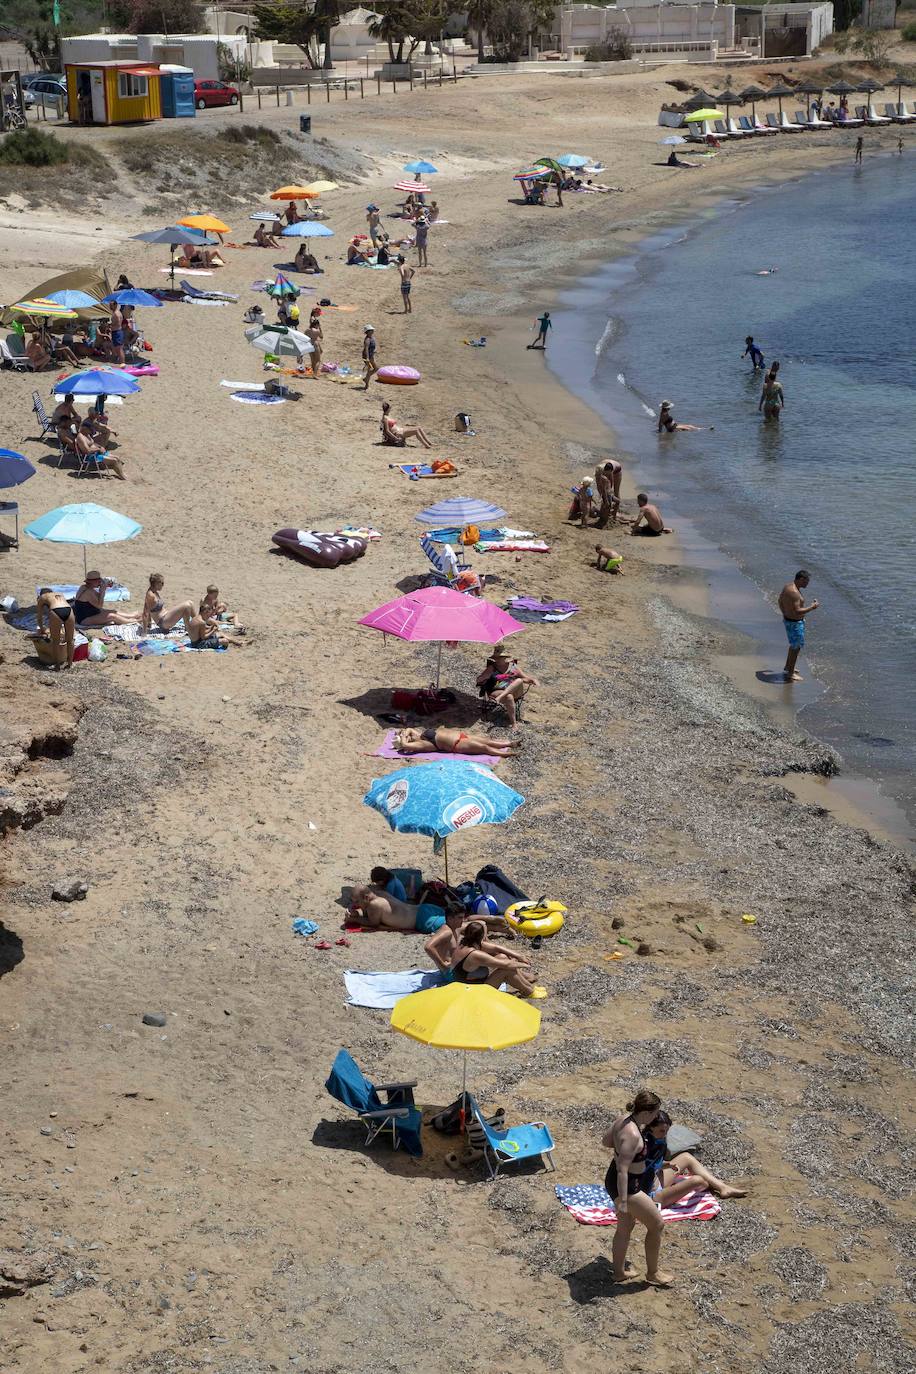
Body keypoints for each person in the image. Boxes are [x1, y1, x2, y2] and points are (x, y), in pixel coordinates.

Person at [602, 1089, 673, 1287]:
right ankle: (653, 1273)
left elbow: (606, 1141)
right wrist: (623, 1202)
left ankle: (618, 1273)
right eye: (655, 1113)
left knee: (625, 1227)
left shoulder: (623, 1119)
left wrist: (620, 1150)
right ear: (646, 1113)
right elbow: (624, 1171)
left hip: (612, 1179)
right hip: (628, 1186)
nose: (656, 1117)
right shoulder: (633, 1134)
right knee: (657, 1224)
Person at [640, 1113, 747, 1205]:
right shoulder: (643, 1146)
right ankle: (703, 1185)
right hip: (651, 1197)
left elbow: (653, 1165)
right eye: (662, 1131)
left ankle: (722, 1187)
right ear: (651, 1127)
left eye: (667, 1131)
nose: (665, 1135)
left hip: (656, 1180)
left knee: (686, 1157)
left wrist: (667, 1164)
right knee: (698, 1180)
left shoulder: (657, 1140)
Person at [446, 920, 541, 996]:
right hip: (471, 992)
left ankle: (527, 985)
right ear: (481, 937)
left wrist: (519, 956)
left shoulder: (465, 943)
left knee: (502, 957)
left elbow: (496, 947)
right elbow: (507, 965)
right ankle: (528, 991)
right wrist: (525, 965)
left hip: (467, 984)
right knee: (506, 970)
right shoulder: (474, 955)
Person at [477, 643, 539, 725]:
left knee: (519, 680)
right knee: (509, 696)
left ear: (505, 658)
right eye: (496, 657)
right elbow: (478, 680)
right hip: (497, 691)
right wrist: (485, 677)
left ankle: (499, 699)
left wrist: (533, 680)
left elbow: (526, 678)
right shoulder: (492, 668)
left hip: (515, 691)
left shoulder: (513, 667)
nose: (498, 659)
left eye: (500, 657)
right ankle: (514, 724)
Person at [348, 884, 447, 935]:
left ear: (366, 898)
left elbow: (373, 923)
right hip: (424, 908)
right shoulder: (380, 894)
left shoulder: (374, 905)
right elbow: (367, 912)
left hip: (422, 920)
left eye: (357, 901)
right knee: (455, 917)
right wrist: (358, 912)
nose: (355, 904)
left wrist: (354, 919)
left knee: (455, 926)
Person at [778, 569, 818, 683]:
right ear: (801, 579)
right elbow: (797, 611)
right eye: (807, 581)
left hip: (789, 620)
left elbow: (780, 600)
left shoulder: (788, 586)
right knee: (796, 647)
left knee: (793, 645)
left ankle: (788, 667)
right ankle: (790, 674)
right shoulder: (795, 593)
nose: (808, 584)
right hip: (794, 623)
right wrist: (812, 607)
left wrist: (784, 613)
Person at [393, 726, 519, 757]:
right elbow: (405, 745)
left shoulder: (419, 735)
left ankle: (509, 743)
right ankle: (505, 754)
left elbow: (409, 729)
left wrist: (404, 733)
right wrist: (403, 740)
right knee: (483, 747)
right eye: (407, 738)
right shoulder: (423, 744)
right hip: (457, 744)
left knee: (487, 741)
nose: (409, 736)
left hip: (460, 735)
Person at [72, 573, 141, 628]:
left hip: (90, 613)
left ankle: (132, 615)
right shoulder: (88, 592)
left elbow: (98, 598)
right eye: (98, 581)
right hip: (85, 619)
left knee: (112, 611)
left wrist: (103, 589)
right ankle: (134, 621)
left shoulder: (84, 587)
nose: (99, 583)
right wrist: (102, 591)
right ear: (94, 582)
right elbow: (99, 605)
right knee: (112, 616)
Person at [36, 588, 76, 669]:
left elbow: (39, 617)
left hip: (55, 610)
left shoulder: (42, 597)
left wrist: (42, 628)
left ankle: (57, 665)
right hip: (69, 610)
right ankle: (70, 664)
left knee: (55, 641)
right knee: (70, 640)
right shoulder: (59, 594)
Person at [595, 460, 622, 526]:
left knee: (616, 494)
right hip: (607, 493)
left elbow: (611, 485)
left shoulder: (608, 472)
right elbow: (601, 487)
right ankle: (604, 519)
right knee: (608, 504)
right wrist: (604, 497)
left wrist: (609, 493)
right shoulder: (601, 476)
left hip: (617, 469)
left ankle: (613, 515)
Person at [361, 325, 378, 389]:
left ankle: (366, 378)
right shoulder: (367, 339)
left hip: (371, 355)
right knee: (370, 369)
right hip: (367, 356)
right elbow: (366, 349)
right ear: (368, 332)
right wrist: (367, 358)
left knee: (376, 368)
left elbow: (372, 347)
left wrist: (374, 351)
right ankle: (366, 384)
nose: (373, 331)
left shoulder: (371, 338)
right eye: (371, 330)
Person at [108, 302, 125, 366]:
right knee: (117, 349)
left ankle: (122, 363)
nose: (110, 307)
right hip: (116, 331)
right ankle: (121, 362)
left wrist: (110, 324)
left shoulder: (116, 313)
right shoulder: (117, 313)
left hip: (117, 332)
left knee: (119, 349)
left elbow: (117, 323)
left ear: (115, 305)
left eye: (111, 305)